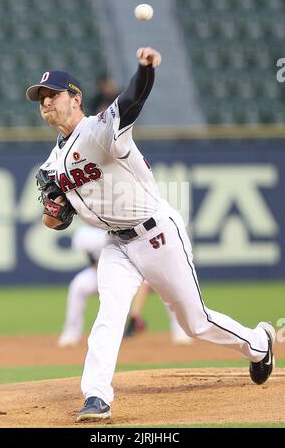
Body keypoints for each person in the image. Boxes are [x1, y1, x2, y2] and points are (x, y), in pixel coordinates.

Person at [26, 47, 275, 422]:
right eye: (41, 98)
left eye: (53, 94)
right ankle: (96, 397)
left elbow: (130, 100)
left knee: (196, 322)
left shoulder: (99, 130)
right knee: (109, 315)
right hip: (116, 244)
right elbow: (54, 220)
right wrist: (55, 213)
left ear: (75, 98)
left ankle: (259, 343)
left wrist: (145, 70)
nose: (45, 102)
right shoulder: (52, 163)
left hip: (156, 233)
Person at [58, 225, 192, 347]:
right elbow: (93, 262)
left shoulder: (131, 223)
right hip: (103, 272)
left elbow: (145, 266)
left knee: (168, 285)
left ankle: (181, 331)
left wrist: (135, 314)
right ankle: (71, 332)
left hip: (140, 271)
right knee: (79, 285)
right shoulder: (86, 232)